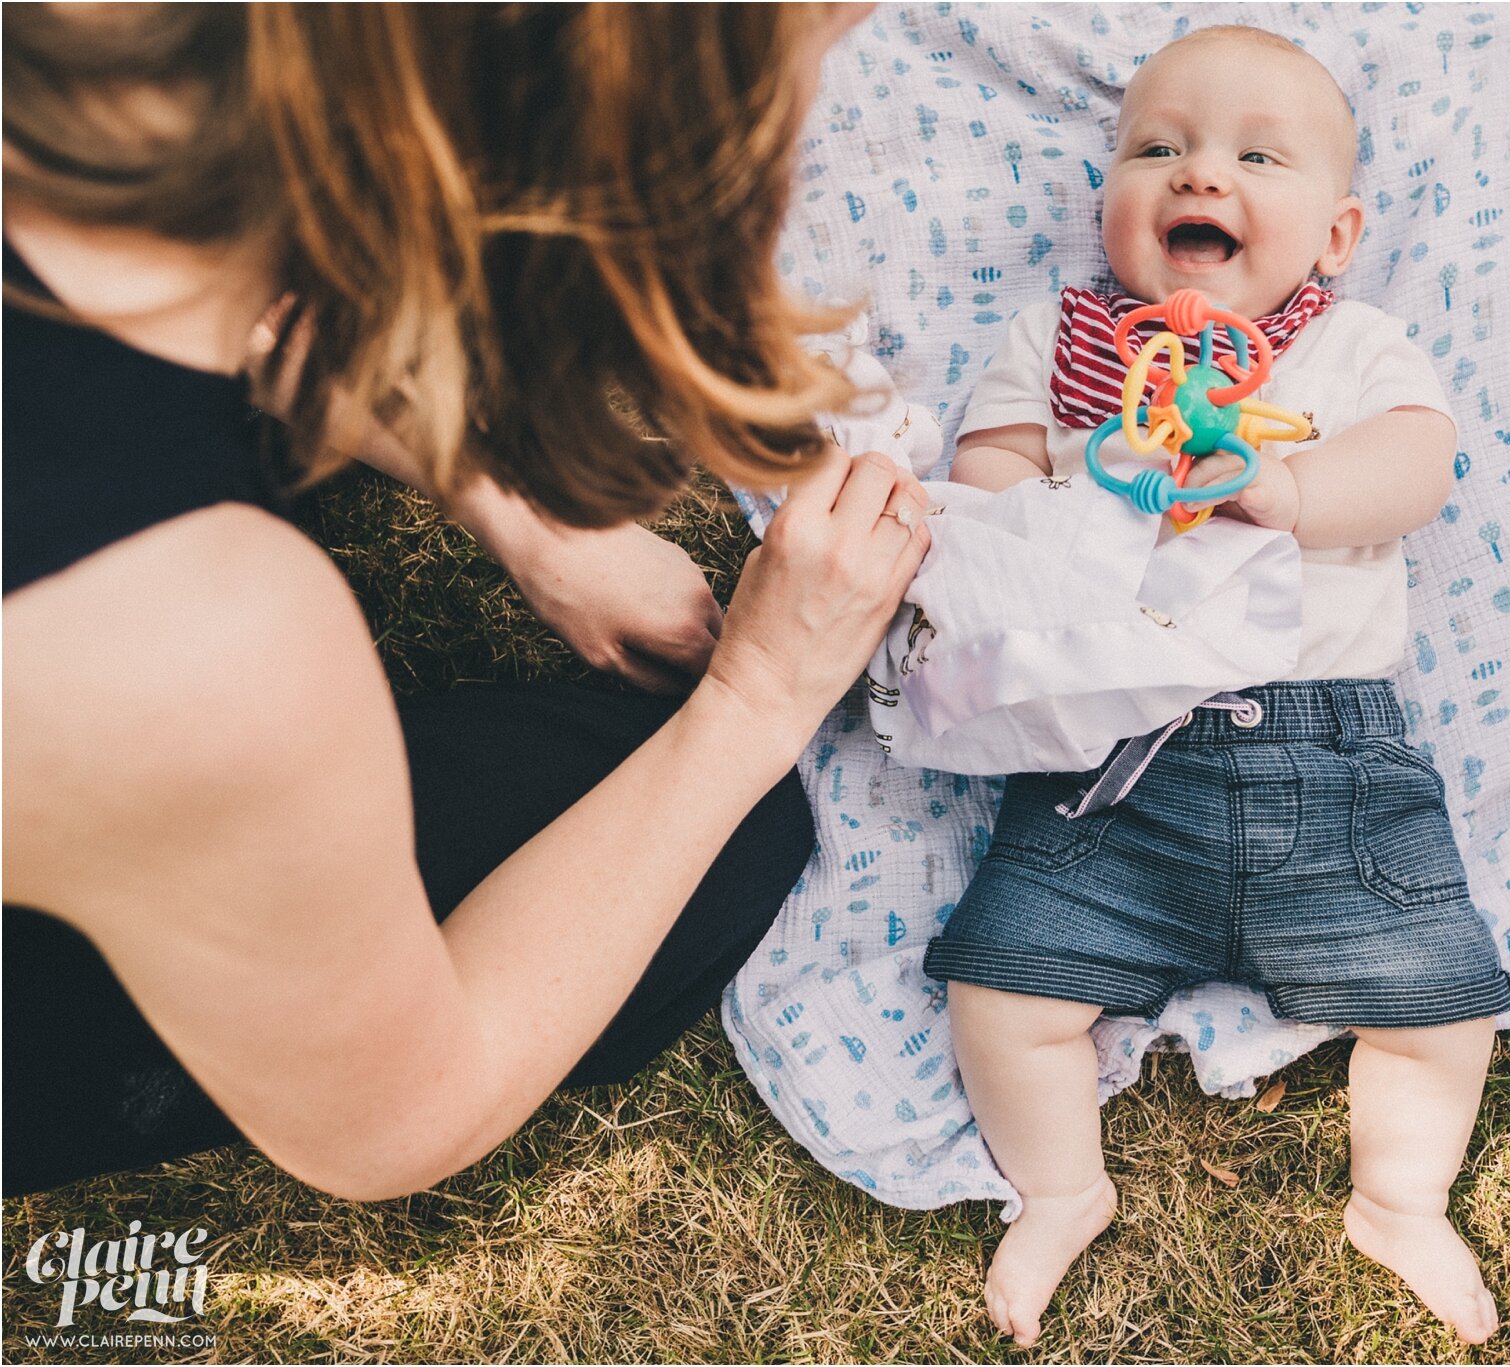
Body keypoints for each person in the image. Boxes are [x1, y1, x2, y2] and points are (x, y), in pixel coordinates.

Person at [1, 1, 929, 1200]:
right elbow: (391, 1125)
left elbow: (234, 294)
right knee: (724, 847)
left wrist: (505, 498)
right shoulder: (195, 645)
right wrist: (758, 696)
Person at [919, 26, 1508, 1346]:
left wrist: (1287, 487)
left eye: (1256, 155)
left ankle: (1399, 1197)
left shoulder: (1349, 350)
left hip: (1332, 758)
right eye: (1159, 149)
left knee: (1446, 999)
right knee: (999, 994)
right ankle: (1064, 1185)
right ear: (1108, 201)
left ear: (1338, 233)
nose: (1201, 175)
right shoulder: (1063, 343)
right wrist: (1083, 503)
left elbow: (1419, 466)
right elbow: (991, 489)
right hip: (1112, 759)